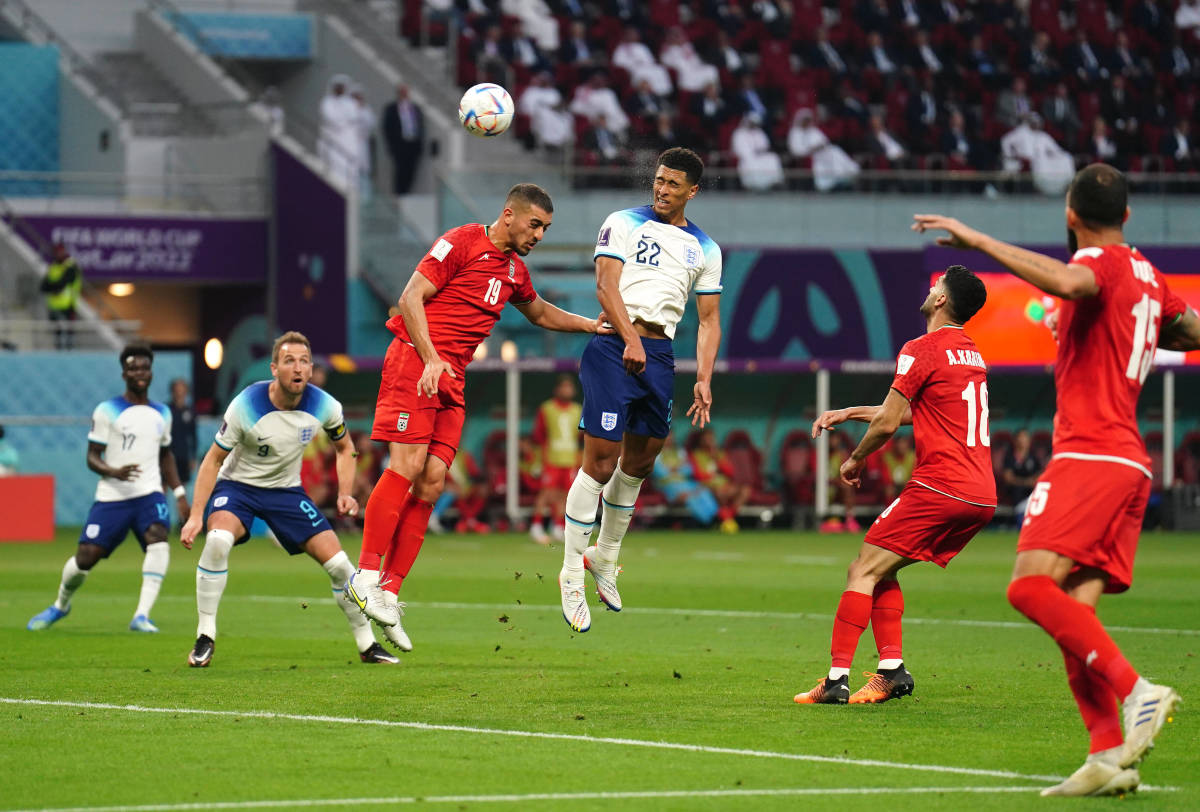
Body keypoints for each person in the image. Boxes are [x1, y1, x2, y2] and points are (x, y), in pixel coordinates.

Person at [913, 162, 1200, 796]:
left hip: (1090, 455)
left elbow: (1075, 281)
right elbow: (1184, 329)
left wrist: (980, 241)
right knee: (1074, 613)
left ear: (1070, 216)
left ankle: (1138, 691)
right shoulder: (1151, 279)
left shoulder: (1096, 267)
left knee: (1027, 589)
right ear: (1127, 214)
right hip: (1131, 464)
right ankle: (1105, 756)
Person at [347, 183, 608, 649]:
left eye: (546, 229)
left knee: (431, 482)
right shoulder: (461, 241)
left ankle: (388, 591)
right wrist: (430, 357)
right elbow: (410, 298)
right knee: (405, 467)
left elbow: (541, 314)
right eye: (535, 225)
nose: (539, 235)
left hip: (453, 378)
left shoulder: (514, 271)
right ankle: (364, 576)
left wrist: (589, 324)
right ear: (509, 214)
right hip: (416, 361)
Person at [795, 265, 994, 706]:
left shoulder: (921, 347)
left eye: (936, 286)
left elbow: (888, 423)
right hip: (980, 493)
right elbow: (910, 413)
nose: (930, 288)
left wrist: (855, 458)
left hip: (941, 485)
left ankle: (835, 681)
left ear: (941, 300)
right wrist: (849, 412)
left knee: (861, 569)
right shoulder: (970, 354)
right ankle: (891, 670)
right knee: (883, 567)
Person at [558, 147, 722, 633]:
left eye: (673, 184)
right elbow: (606, 287)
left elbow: (709, 321)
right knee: (602, 460)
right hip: (613, 345)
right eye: (658, 180)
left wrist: (705, 377)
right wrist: (630, 339)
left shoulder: (706, 249)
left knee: (642, 461)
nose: (661, 189)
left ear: (692, 191)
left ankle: (604, 558)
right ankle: (569, 573)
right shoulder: (623, 222)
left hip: (662, 354)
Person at [180, 332, 396, 667]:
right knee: (219, 540)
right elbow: (212, 460)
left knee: (340, 566)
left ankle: (368, 646)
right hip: (238, 487)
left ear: (311, 369)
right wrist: (196, 516)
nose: (297, 367)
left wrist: (344, 492)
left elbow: (345, 448)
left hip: (286, 491)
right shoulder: (246, 405)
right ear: (275, 369)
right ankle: (205, 635)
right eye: (289, 360)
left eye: (304, 361)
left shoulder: (326, 405)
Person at [27, 344, 189, 633]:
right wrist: (113, 471)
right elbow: (91, 456)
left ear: (151, 372)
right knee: (86, 556)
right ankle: (61, 605)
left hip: (149, 494)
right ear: (124, 373)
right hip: (112, 497)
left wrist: (178, 493)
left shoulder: (162, 413)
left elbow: (166, 455)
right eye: (134, 368)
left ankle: (141, 615)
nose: (140, 373)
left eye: (145, 367)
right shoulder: (107, 410)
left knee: (158, 538)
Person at [530, 375, 582, 544]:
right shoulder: (547, 408)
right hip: (551, 457)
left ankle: (558, 526)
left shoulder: (577, 409)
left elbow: (580, 435)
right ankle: (536, 525)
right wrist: (539, 457)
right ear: (557, 389)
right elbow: (538, 435)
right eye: (564, 387)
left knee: (565, 495)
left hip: (570, 458)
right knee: (546, 493)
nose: (567, 390)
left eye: (569, 387)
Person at [381, 84, 424, 196]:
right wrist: (392, 145)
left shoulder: (415, 108)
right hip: (400, 146)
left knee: (411, 172)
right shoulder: (392, 109)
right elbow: (387, 128)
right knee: (400, 172)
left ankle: (407, 194)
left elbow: (420, 127)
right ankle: (399, 195)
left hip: (412, 145)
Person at [41, 242, 81, 350]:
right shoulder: (53, 267)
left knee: (69, 333)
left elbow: (63, 282)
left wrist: (53, 286)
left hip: (68, 306)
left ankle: (69, 352)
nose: (58, 254)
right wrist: (56, 287)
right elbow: (43, 287)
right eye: (56, 252)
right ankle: (60, 352)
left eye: (60, 251)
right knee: (57, 334)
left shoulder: (70, 266)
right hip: (54, 306)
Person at [1001, 428, 1042, 525]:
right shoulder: (1010, 457)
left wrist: (1033, 481)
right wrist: (1025, 482)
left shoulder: (1033, 457)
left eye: (1026, 437)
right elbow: (1008, 478)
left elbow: (1039, 475)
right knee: (1018, 490)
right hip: (1015, 492)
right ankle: (1021, 520)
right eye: (1021, 437)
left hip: (1031, 491)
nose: (1024, 440)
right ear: (1016, 440)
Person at [168, 378, 197, 492]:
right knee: (164, 486)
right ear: (173, 391)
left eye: (182, 390)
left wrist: (193, 457)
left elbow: (193, 436)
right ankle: (161, 509)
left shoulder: (189, 411)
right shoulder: (167, 410)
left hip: (183, 456)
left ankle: (182, 510)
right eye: (177, 390)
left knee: (181, 489)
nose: (180, 393)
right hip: (168, 455)